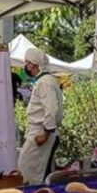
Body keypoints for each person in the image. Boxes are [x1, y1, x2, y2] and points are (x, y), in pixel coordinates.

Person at [17, 49, 64, 185]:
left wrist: (46, 133)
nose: (25, 66)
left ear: (33, 64)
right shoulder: (46, 81)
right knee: (34, 171)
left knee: (28, 175)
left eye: (26, 62)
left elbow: (51, 109)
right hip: (39, 131)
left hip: (41, 133)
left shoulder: (45, 82)